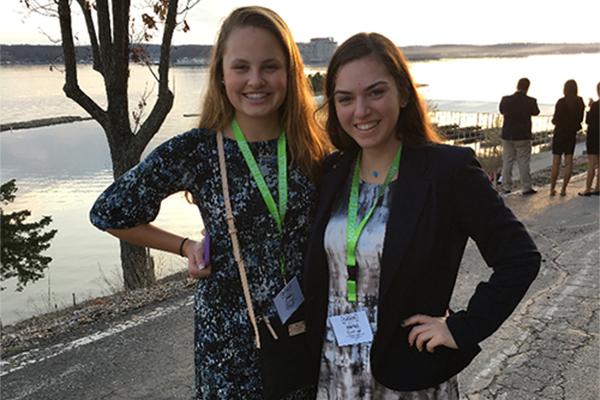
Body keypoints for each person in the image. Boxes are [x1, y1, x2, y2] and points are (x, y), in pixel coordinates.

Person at [89, 6, 330, 399]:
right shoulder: (197, 150)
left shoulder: (313, 147)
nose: (256, 80)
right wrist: (186, 247)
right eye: (241, 67)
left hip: (304, 333)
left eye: (270, 66)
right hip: (230, 347)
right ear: (221, 73)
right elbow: (109, 211)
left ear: (290, 72)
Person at [302, 32, 541, 399]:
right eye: (345, 98)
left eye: (376, 92)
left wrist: (463, 327)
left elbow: (519, 258)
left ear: (403, 92)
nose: (361, 110)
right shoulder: (332, 172)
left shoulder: (448, 171)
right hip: (334, 371)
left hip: (407, 375)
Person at [499, 77, 540, 195]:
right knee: (523, 161)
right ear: (527, 88)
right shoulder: (531, 101)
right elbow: (536, 112)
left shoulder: (505, 100)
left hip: (507, 135)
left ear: (517, 86)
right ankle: (526, 187)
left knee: (507, 161)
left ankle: (506, 186)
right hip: (523, 136)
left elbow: (502, 111)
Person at [549, 79, 585, 196]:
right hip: (571, 134)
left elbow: (555, 119)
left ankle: (552, 189)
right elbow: (580, 119)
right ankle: (563, 189)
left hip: (559, 133)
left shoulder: (561, 102)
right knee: (568, 162)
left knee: (556, 162)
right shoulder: (579, 102)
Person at [578, 82, 600, 196]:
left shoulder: (596, 105)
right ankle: (598, 187)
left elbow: (588, 121)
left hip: (594, 136)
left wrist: (590, 107)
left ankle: (588, 189)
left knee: (592, 163)